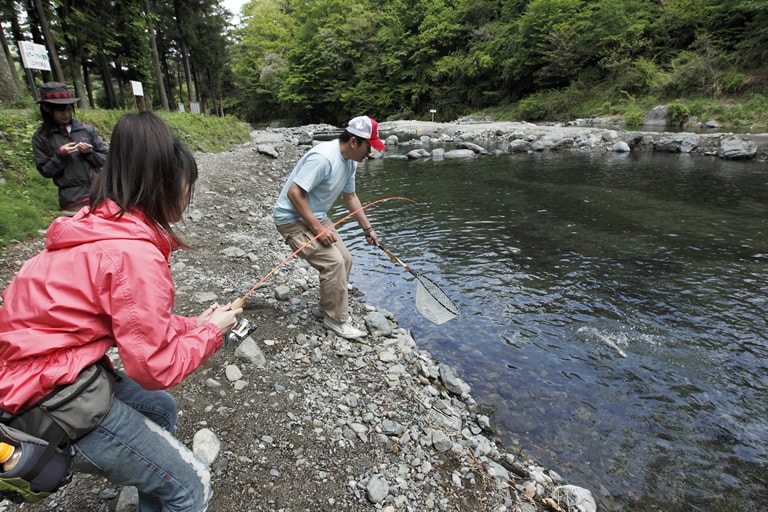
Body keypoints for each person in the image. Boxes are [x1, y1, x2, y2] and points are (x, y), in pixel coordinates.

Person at [0, 111, 241, 511]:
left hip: (27, 377)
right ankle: (166, 484)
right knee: (192, 485)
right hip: (46, 404)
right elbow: (155, 367)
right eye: (188, 185)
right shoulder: (133, 254)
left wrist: (194, 323)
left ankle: (150, 484)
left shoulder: (95, 224)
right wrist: (212, 334)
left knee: (158, 407)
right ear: (164, 183)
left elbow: (134, 323)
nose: (189, 195)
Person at [273, 115, 385, 339]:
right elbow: (294, 193)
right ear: (353, 142)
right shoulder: (323, 158)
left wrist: (367, 229)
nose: (370, 153)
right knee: (333, 263)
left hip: (316, 216)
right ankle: (335, 320)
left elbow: (350, 196)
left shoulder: (350, 161)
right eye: (368, 147)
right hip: (292, 220)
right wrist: (319, 230)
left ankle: (326, 308)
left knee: (345, 259)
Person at [32, 82, 108, 213]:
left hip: (100, 194)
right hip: (73, 201)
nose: (66, 114)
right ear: (47, 109)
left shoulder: (86, 130)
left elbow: (105, 159)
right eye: (61, 111)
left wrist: (89, 153)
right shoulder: (41, 137)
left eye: (69, 109)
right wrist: (61, 155)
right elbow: (46, 171)